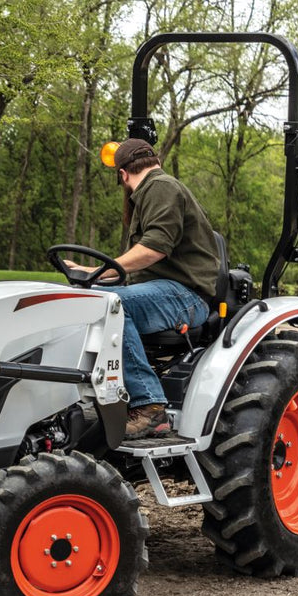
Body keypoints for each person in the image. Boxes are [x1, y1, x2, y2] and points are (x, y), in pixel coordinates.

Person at [64, 138, 220, 439]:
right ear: (154, 160)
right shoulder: (153, 192)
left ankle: (150, 407)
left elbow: (153, 250)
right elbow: (137, 270)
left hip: (186, 296)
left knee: (108, 305)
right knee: (87, 297)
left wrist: (98, 271)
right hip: (163, 291)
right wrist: (88, 277)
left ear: (123, 175)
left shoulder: (161, 187)